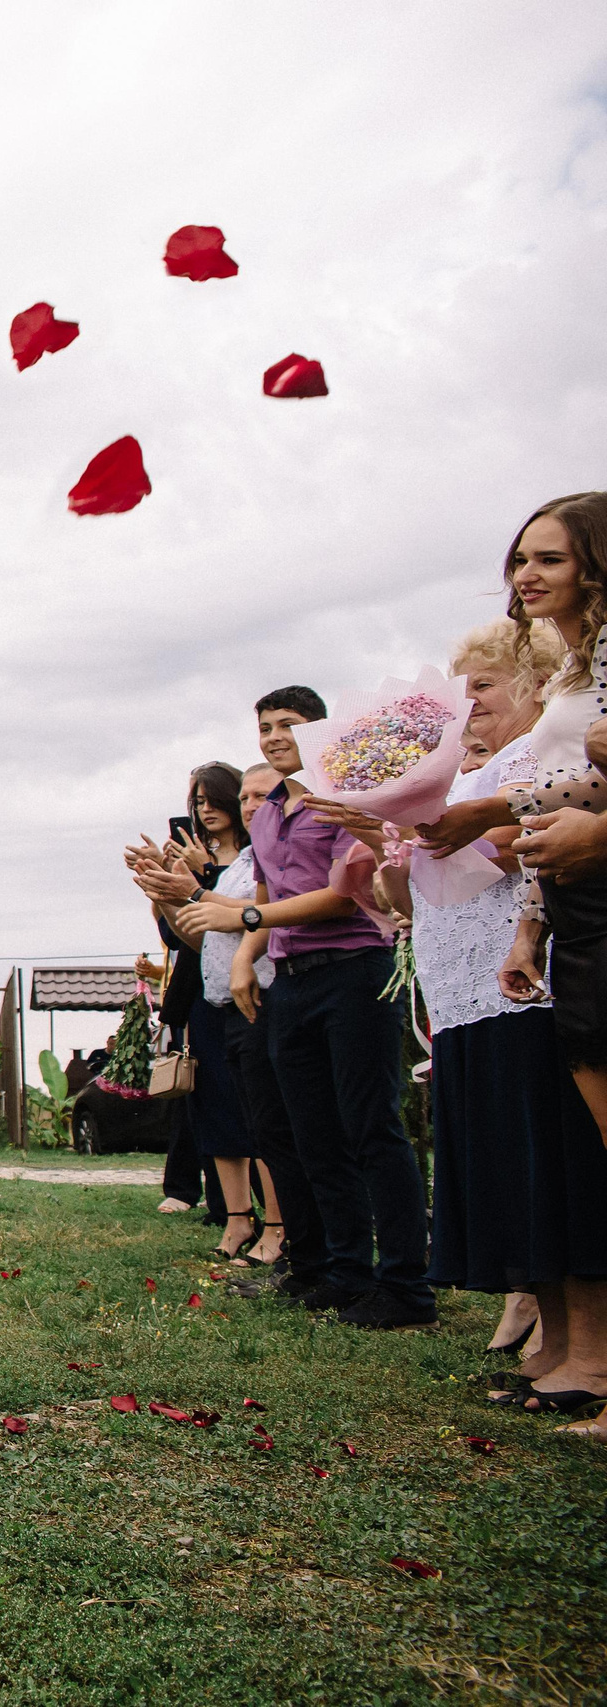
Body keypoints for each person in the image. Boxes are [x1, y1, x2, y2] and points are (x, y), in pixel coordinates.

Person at [342, 621, 604, 1399]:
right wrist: (387, 836)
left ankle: (589, 1351)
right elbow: (404, 905)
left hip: (528, 984)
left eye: (482, 686)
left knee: (555, 1173)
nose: (469, 704)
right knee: (517, 1179)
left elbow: (510, 858)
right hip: (463, 996)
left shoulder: (535, 767)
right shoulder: (461, 778)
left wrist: (427, 831)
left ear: (536, 683)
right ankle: (555, 1342)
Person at [175, 686, 430, 1330]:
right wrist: (244, 956)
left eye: (288, 724)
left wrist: (243, 915)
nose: (273, 736)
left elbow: (342, 896)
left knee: (371, 1126)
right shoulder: (267, 815)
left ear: (319, 730)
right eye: (264, 726)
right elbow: (263, 899)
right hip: (291, 979)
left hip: (354, 971)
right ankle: (334, 1271)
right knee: (306, 1131)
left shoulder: (346, 796)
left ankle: (405, 1285)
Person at [493, 493, 607, 1431]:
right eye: (522, 559)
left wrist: (524, 793)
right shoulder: (576, 667)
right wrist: (530, 928)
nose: (528, 574)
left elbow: (590, 787)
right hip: (570, 904)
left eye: (552, 560)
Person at [131, 763, 278, 1258]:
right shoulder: (206, 864)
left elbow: (250, 918)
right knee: (214, 1109)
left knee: (260, 1113)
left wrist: (198, 881)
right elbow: (185, 935)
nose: (205, 809)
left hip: (254, 988)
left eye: (214, 798)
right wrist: (162, 891)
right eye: (197, 802)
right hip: (204, 992)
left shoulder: (259, 858)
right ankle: (235, 1217)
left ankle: (277, 1222)